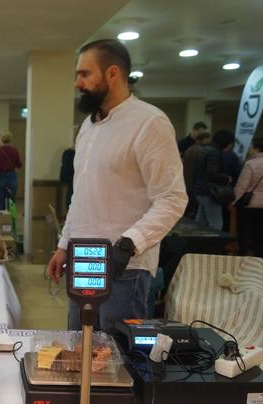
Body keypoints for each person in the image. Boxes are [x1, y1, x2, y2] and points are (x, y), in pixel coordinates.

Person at [47, 39, 187, 332]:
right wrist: (63, 246)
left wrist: (129, 243)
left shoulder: (150, 123)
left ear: (112, 73)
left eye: (85, 74)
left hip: (126, 268)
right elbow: (81, 195)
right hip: (82, 259)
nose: (77, 82)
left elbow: (172, 198)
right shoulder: (87, 127)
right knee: (79, 346)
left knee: (120, 361)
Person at [233, 138, 263, 257]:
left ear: (256, 148)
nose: (249, 149)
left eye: (251, 147)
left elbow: (242, 185)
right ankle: (259, 254)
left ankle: (243, 252)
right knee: (262, 230)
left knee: (244, 229)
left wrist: (236, 199)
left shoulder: (250, 164)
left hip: (249, 202)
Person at [193, 130, 234, 230]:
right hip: (210, 191)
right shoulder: (214, 153)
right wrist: (227, 178)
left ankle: (197, 244)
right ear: (227, 143)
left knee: (200, 223)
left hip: (200, 190)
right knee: (216, 223)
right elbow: (212, 174)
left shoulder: (204, 149)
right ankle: (214, 245)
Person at [0, 130, 22, 210]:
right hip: (12, 178)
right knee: (11, 202)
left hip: (0, 178)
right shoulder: (15, 151)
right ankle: (12, 220)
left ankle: (2, 220)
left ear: (1, 139)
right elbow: (19, 165)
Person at [182, 131, 211, 218]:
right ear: (203, 139)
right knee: (193, 210)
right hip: (194, 183)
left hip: (186, 182)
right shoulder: (201, 151)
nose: (210, 141)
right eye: (208, 138)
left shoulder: (189, 149)